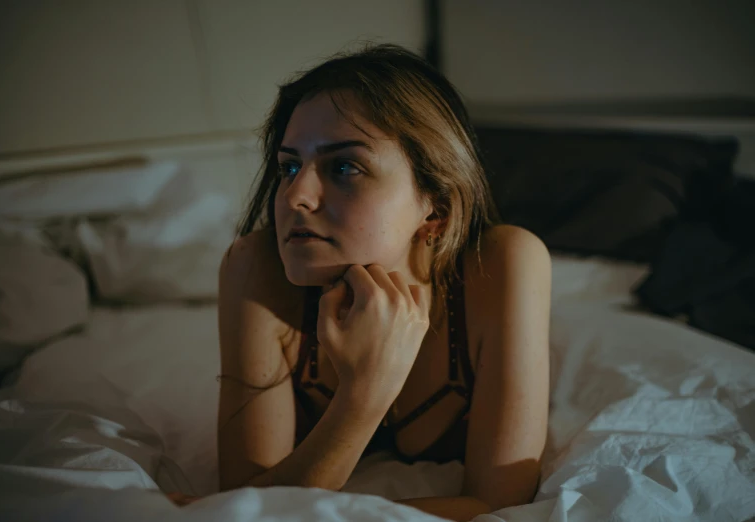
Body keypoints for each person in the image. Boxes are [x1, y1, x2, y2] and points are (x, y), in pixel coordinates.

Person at [189, 44, 550, 521]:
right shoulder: (256, 269)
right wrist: (363, 396)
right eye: (289, 166)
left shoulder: (500, 264)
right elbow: (246, 503)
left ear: (435, 208)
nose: (295, 195)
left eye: (344, 167)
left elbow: (498, 507)